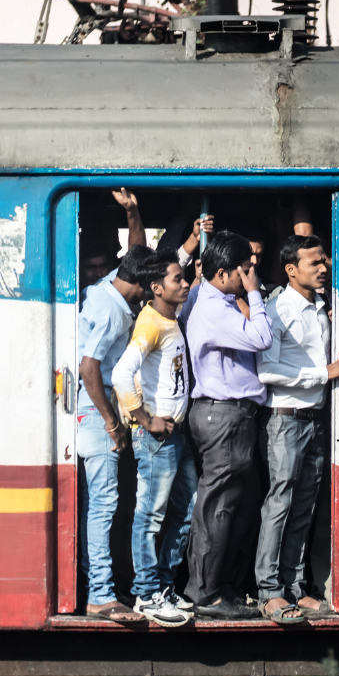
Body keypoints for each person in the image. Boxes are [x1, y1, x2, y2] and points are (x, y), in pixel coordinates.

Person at [253, 235, 339, 624]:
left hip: (313, 421)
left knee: (303, 506)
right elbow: (266, 371)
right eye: (315, 263)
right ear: (291, 270)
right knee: (279, 505)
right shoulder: (278, 311)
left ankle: (294, 588)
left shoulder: (319, 308)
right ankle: (269, 592)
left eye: (324, 260)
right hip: (285, 421)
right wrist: (322, 374)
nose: (324, 267)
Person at [182, 232, 273, 620]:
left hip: (223, 414)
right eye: (244, 271)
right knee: (217, 509)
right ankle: (206, 594)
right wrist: (254, 295)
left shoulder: (207, 299)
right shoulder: (215, 310)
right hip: (225, 415)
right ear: (222, 273)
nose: (250, 275)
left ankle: (220, 587)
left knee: (232, 506)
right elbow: (263, 337)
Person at [111, 250, 197, 627]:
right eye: (177, 279)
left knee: (186, 508)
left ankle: (162, 585)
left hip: (175, 435)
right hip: (157, 438)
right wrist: (144, 418)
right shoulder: (151, 324)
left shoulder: (168, 317)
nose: (185, 283)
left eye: (184, 277)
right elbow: (120, 374)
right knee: (150, 517)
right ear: (156, 287)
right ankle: (146, 594)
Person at [75, 245, 154, 623]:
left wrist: (133, 214)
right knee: (104, 506)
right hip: (94, 409)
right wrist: (110, 421)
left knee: (98, 504)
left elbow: (135, 250)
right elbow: (89, 368)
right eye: (150, 286)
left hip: (94, 408)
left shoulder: (108, 288)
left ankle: (100, 587)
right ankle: (100, 595)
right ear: (139, 281)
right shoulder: (110, 311)